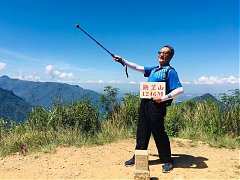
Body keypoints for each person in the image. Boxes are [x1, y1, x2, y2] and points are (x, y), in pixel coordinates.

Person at [113, 45, 184, 173]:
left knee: (158, 132)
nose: (161, 55)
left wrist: (163, 98)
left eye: (165, 53)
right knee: (142, 130)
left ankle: (167, 160)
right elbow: (137, 67)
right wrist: (123, 60)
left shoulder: (170, 71)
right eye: (160, 52)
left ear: (170, 56)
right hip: (145, 102)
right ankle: (139, 157)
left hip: (157, 105)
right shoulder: (154, 69)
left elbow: (180, 89)